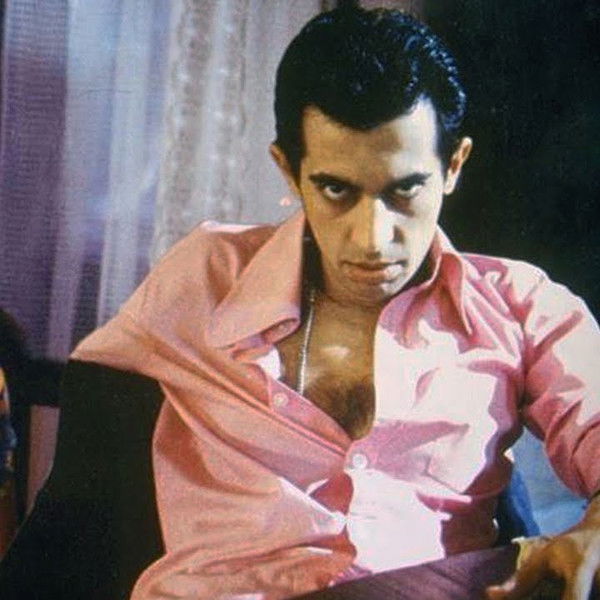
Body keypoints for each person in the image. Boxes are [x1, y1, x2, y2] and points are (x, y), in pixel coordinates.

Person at [3, 5, 599, 600]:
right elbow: (90, 400)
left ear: (453, 166)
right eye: (336, 190)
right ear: (289, 171)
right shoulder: (206, 275)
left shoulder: (521, 307)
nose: (372, 239)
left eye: (405, 190)